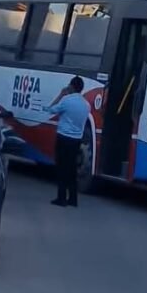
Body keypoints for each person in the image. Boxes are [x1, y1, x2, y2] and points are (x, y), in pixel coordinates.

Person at [44, 76, 89, 207]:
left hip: (63, 138)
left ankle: (61, 198)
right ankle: (73, 199)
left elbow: (50, 110)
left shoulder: (66, 100)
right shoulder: (86, 105)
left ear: (71, 86)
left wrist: (60, 95)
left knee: (62, 168)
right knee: (72, 169)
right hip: (76, 140)